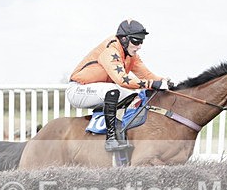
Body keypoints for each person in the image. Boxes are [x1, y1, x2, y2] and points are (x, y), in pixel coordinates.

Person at [67, 19, 170, 151]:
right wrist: (151, 84)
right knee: (112, 90)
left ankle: (122, 132)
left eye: (141, 41)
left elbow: (147, 76)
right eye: (136, 41)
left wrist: (164, 82)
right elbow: (122, 80)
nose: (139, 46)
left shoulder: (131, 55)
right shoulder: (111, 50)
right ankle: (110, 139)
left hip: (98, 89)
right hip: (78, 90)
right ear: (124, 39)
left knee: (135, 96)